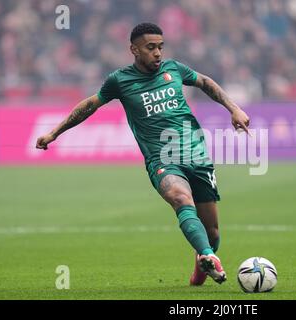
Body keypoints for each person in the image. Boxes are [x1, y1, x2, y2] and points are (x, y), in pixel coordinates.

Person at [35, 23, 250, 285]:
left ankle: (202, 262)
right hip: (162, 159)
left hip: (197, 155)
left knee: (212, 232)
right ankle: (207, 255)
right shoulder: (120, 80)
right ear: (134, 50)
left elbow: (204, 82)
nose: (158, 53)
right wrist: (55, 133)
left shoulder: (174, 69)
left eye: (160, 46)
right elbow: (90, 105)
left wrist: (234, 109)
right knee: (181, 199)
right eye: (150, 47)